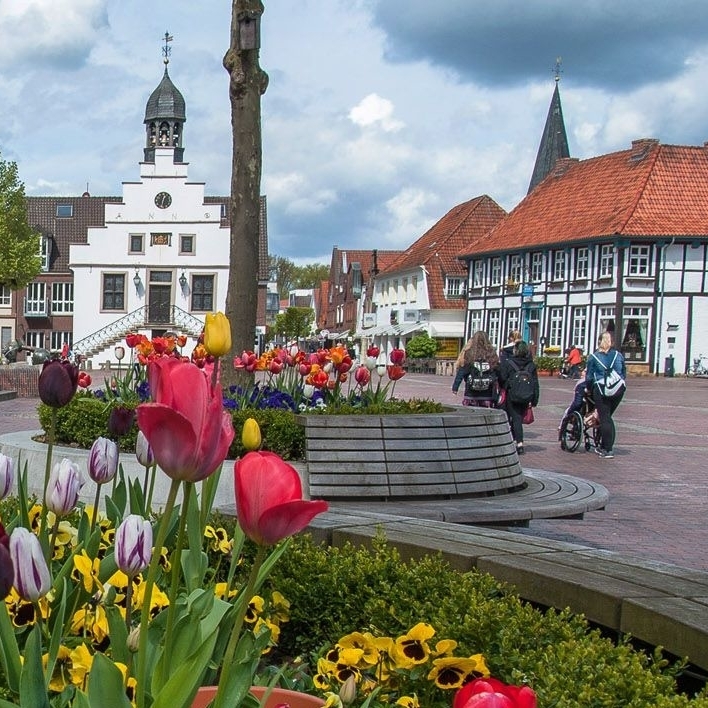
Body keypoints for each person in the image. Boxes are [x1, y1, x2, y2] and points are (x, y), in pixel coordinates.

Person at [585, 331, 626, 458]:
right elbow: (623, 372)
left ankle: (607, 449)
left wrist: (588, 389)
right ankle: (604, 445)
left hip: (601, 389)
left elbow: (589, 377)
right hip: (618, 389)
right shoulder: (618, 355)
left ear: (599, 342)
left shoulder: (594, 357)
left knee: (605, 418)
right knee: (607, 417)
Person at [499, 340, 539, 455]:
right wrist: (534, 399)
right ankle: (515, 439)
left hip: (513, 394)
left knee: (515, 418)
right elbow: (535, 383)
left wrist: (506, 385)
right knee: (518, 418)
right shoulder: (531, 365)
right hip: (526, 395)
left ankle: (519, 443)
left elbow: (502, 378)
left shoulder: (509, 363)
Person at [452, 331, 501, 408]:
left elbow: (462, 371)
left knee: (471, 415)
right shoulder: (492, 353)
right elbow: (497, 371)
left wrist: (455, 387)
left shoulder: (469, 353)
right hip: (487, 392)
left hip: (471, 392)